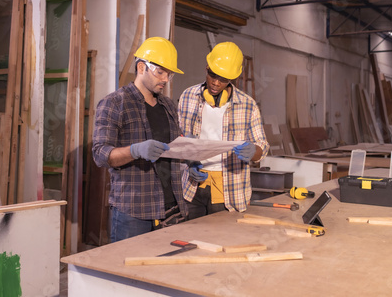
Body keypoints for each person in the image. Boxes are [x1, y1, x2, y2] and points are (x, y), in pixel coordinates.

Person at [92, 37, 188, 242]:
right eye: (160, 72)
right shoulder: (114, 103)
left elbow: (173, 147)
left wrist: (191, 162)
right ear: (142, 67)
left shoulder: (169, 106)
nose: (165, 79)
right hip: (133, 212)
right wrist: (134, 151)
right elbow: (100, 154)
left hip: (171, 207)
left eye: (169, 74)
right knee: (126, 272)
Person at [178, 41, 269, 219]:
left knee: (222, 240)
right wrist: (188, 163)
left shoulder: (247, 105)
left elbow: (263, 147)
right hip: (192, 187)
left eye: (224, 79)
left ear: (232, 80)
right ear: (207, 67)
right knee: (190, 239)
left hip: (230, 190)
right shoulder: (188, 97)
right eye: (213, 75)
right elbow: (179, 140)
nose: (216, 83)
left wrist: (253, 151)